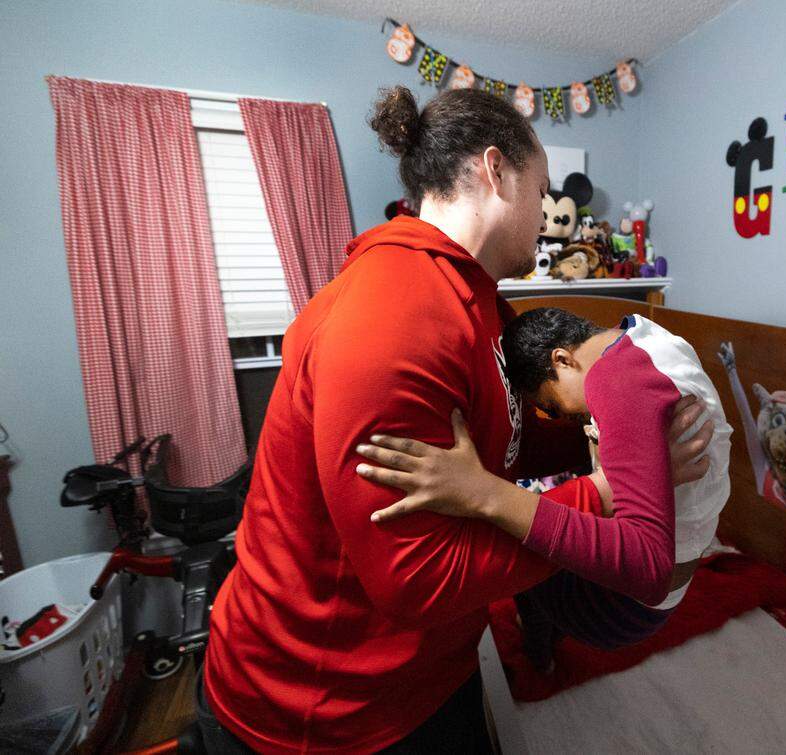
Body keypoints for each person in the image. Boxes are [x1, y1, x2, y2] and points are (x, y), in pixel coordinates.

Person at [200, 86, 712, 754]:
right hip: (321, 709)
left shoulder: (479, 304)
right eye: (541, 189)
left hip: (425, 675)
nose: (548, 218)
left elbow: (514, 434)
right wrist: (608, 494)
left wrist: (633, 435)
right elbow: (418, 576)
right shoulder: (390, 319)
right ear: (496, 172)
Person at [356, 307, 733, 671]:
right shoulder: (650, 338)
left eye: (550, 406)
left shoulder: (615, 382)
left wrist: (484, 492)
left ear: (563, 360)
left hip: (622, 610)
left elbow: (645, 568)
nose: (564, 417)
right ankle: (543, 636)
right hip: (676, 582)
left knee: (514, 549)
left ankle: (537, 648)